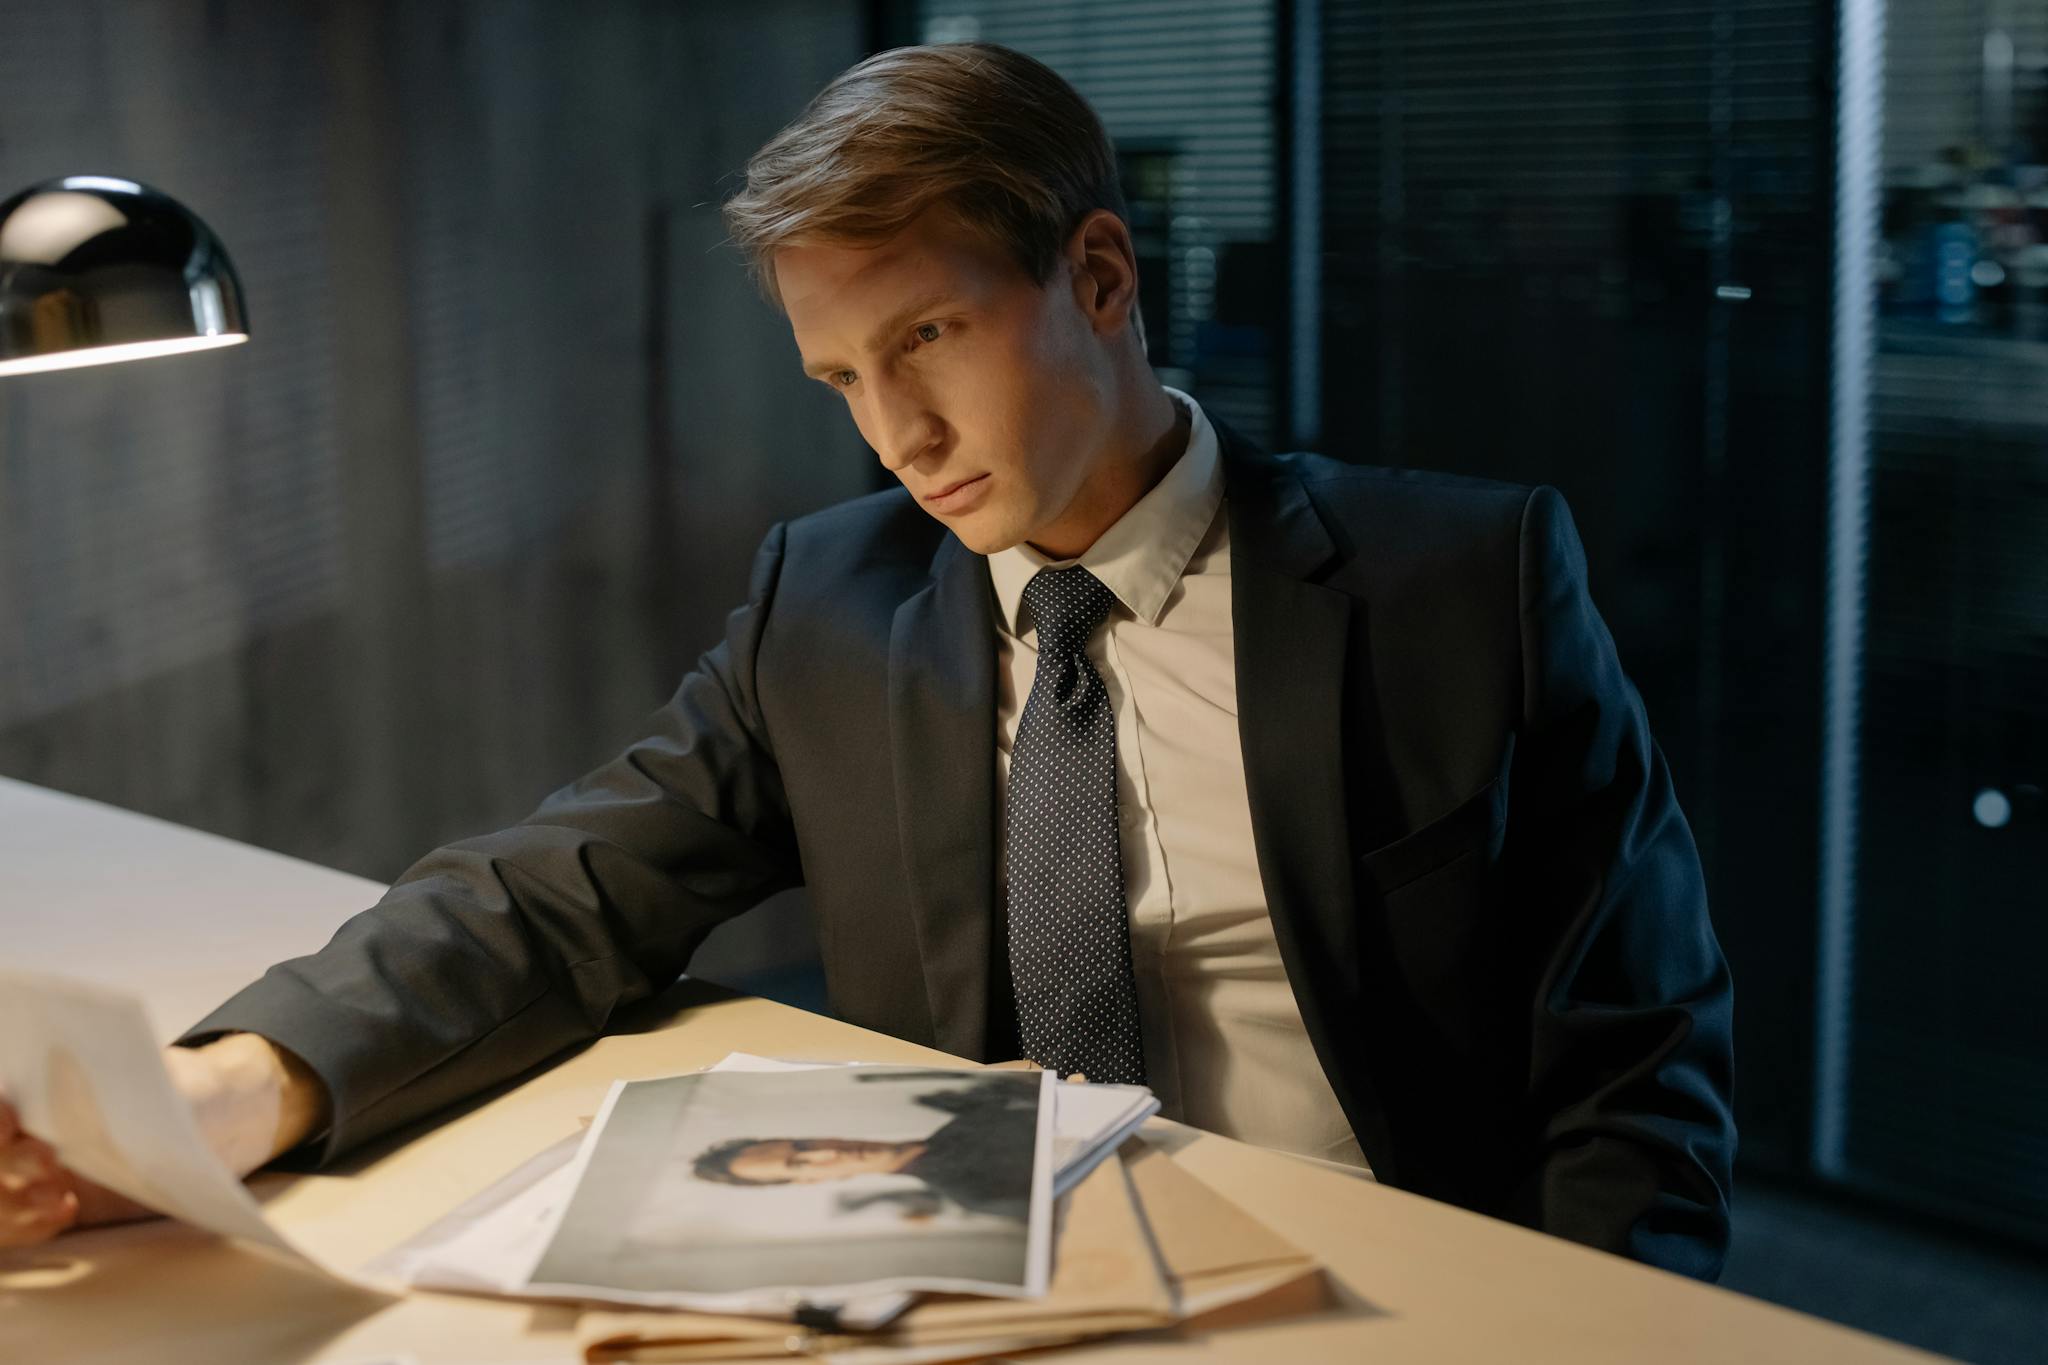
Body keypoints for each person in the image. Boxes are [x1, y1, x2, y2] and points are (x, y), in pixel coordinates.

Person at [0, 42, 1735, 1279]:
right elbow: (558, 894)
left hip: (1364, 1290)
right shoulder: (825, 603)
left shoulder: (1460, 583)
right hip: (963, 1295)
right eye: (842, 378)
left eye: (929, 337)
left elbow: (1634, 1054)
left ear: (1102, 278)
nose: (897, 433)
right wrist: (228, 1089)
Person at [692, 1075, 1038, 1221]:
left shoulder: (967, 1114)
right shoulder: (975, 1194)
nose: (830, 1154)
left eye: (804, 1144)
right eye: (800, 1163)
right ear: (809, 1182)